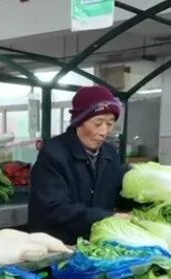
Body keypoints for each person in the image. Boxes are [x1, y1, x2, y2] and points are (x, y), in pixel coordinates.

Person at [28, 85, 129, 244]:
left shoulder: (110, 155)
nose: (104, 131)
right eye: (98, 123)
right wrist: (106, 217)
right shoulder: (54, 153)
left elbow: (117, 194)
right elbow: (54, 208)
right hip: (57, 245)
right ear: (79, 120)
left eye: (110, 124)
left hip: (94, 244)